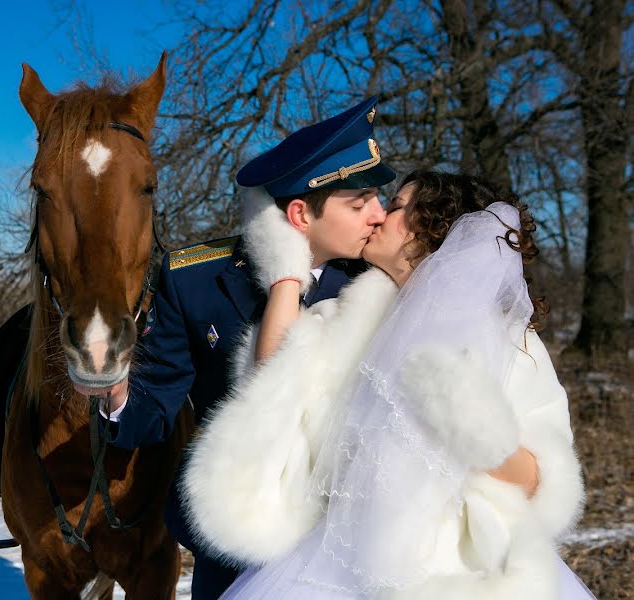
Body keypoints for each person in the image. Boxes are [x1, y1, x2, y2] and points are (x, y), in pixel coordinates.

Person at [183, 171, 596, 599]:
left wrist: (479, 434)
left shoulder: (511, 341)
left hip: (464, 574)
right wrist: (286, 270)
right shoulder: (349, 315)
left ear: (431, 229)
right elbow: (271, 382)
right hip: (338, 563)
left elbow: (543, 483)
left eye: (396, 206)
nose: (378, 216)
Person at [77, 96, 396, 599]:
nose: (380, 214)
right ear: (299, 213)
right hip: (238, 539)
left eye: (378, 198)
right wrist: (117, 397)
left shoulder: (383, 277)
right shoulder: (195, 280)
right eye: (359, 204)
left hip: (348, 541)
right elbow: (154, 404)